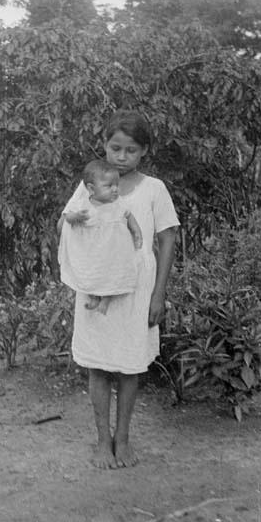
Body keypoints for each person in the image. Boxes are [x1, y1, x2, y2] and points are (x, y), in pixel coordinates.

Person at [57, 109, 179, 469]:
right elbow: (66, 225)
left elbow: (167, 240)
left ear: (144, 151)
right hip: (97, 283)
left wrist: (158, 294)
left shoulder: (154, 189)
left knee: (129, 365)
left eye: (130, 150)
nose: (121, 157)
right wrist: (73, 222)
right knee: (97, 364)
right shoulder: (91, 184)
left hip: (136, 288)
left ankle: (122, 439)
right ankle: (101, 441)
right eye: (115, 148)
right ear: (105, 146)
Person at [58, 158, 143, 315]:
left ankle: (106, 300)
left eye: (116, 185)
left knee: (112, 273)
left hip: (113, 250)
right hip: (93, 251)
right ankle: (94, 297)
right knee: (92, 273)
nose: (115, 190)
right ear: (91, 188)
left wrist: (136, 232)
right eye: (109, 186)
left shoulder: (118, 203)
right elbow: (67, 218)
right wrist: (76, 216)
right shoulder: (83, 204)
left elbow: (129, 216)